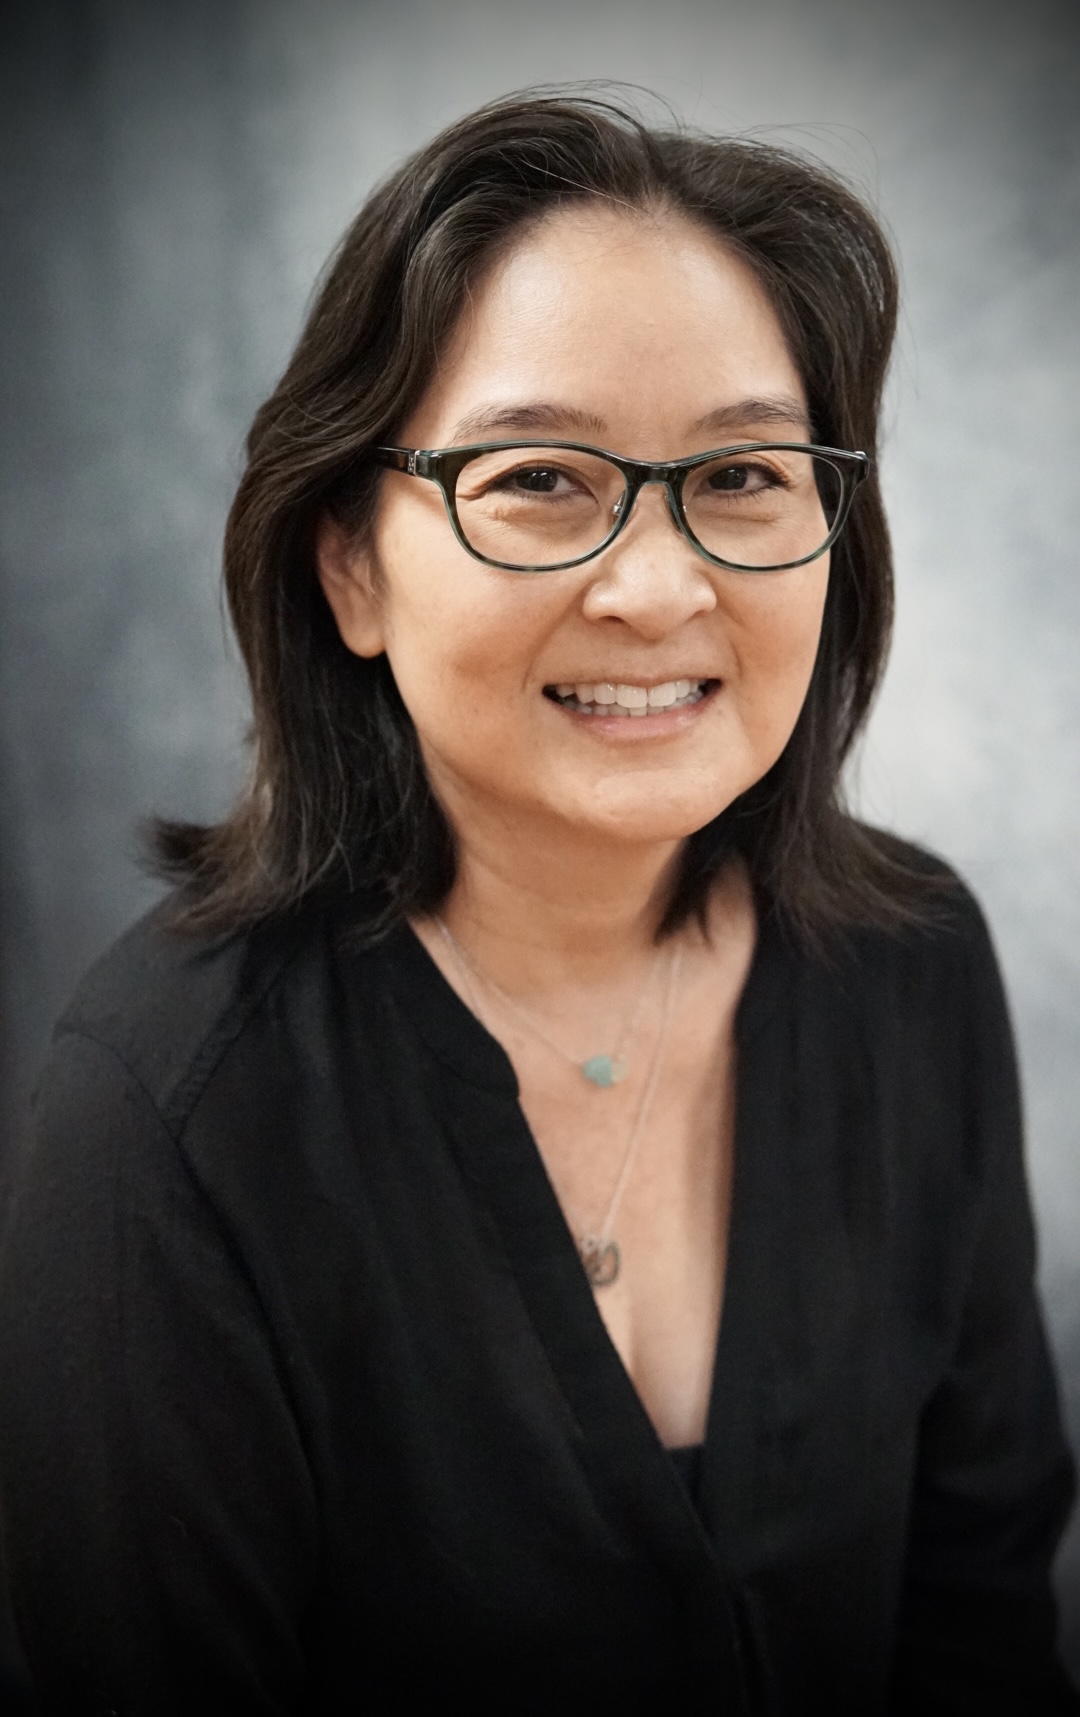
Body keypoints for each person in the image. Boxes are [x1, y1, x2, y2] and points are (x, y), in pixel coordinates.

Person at [0, 89, 1075, 1715]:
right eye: (541, 480)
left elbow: (982, 1618)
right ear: (348, 562)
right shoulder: (169, 1117)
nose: (657, 586)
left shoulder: (910, 963)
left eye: (746, 475)